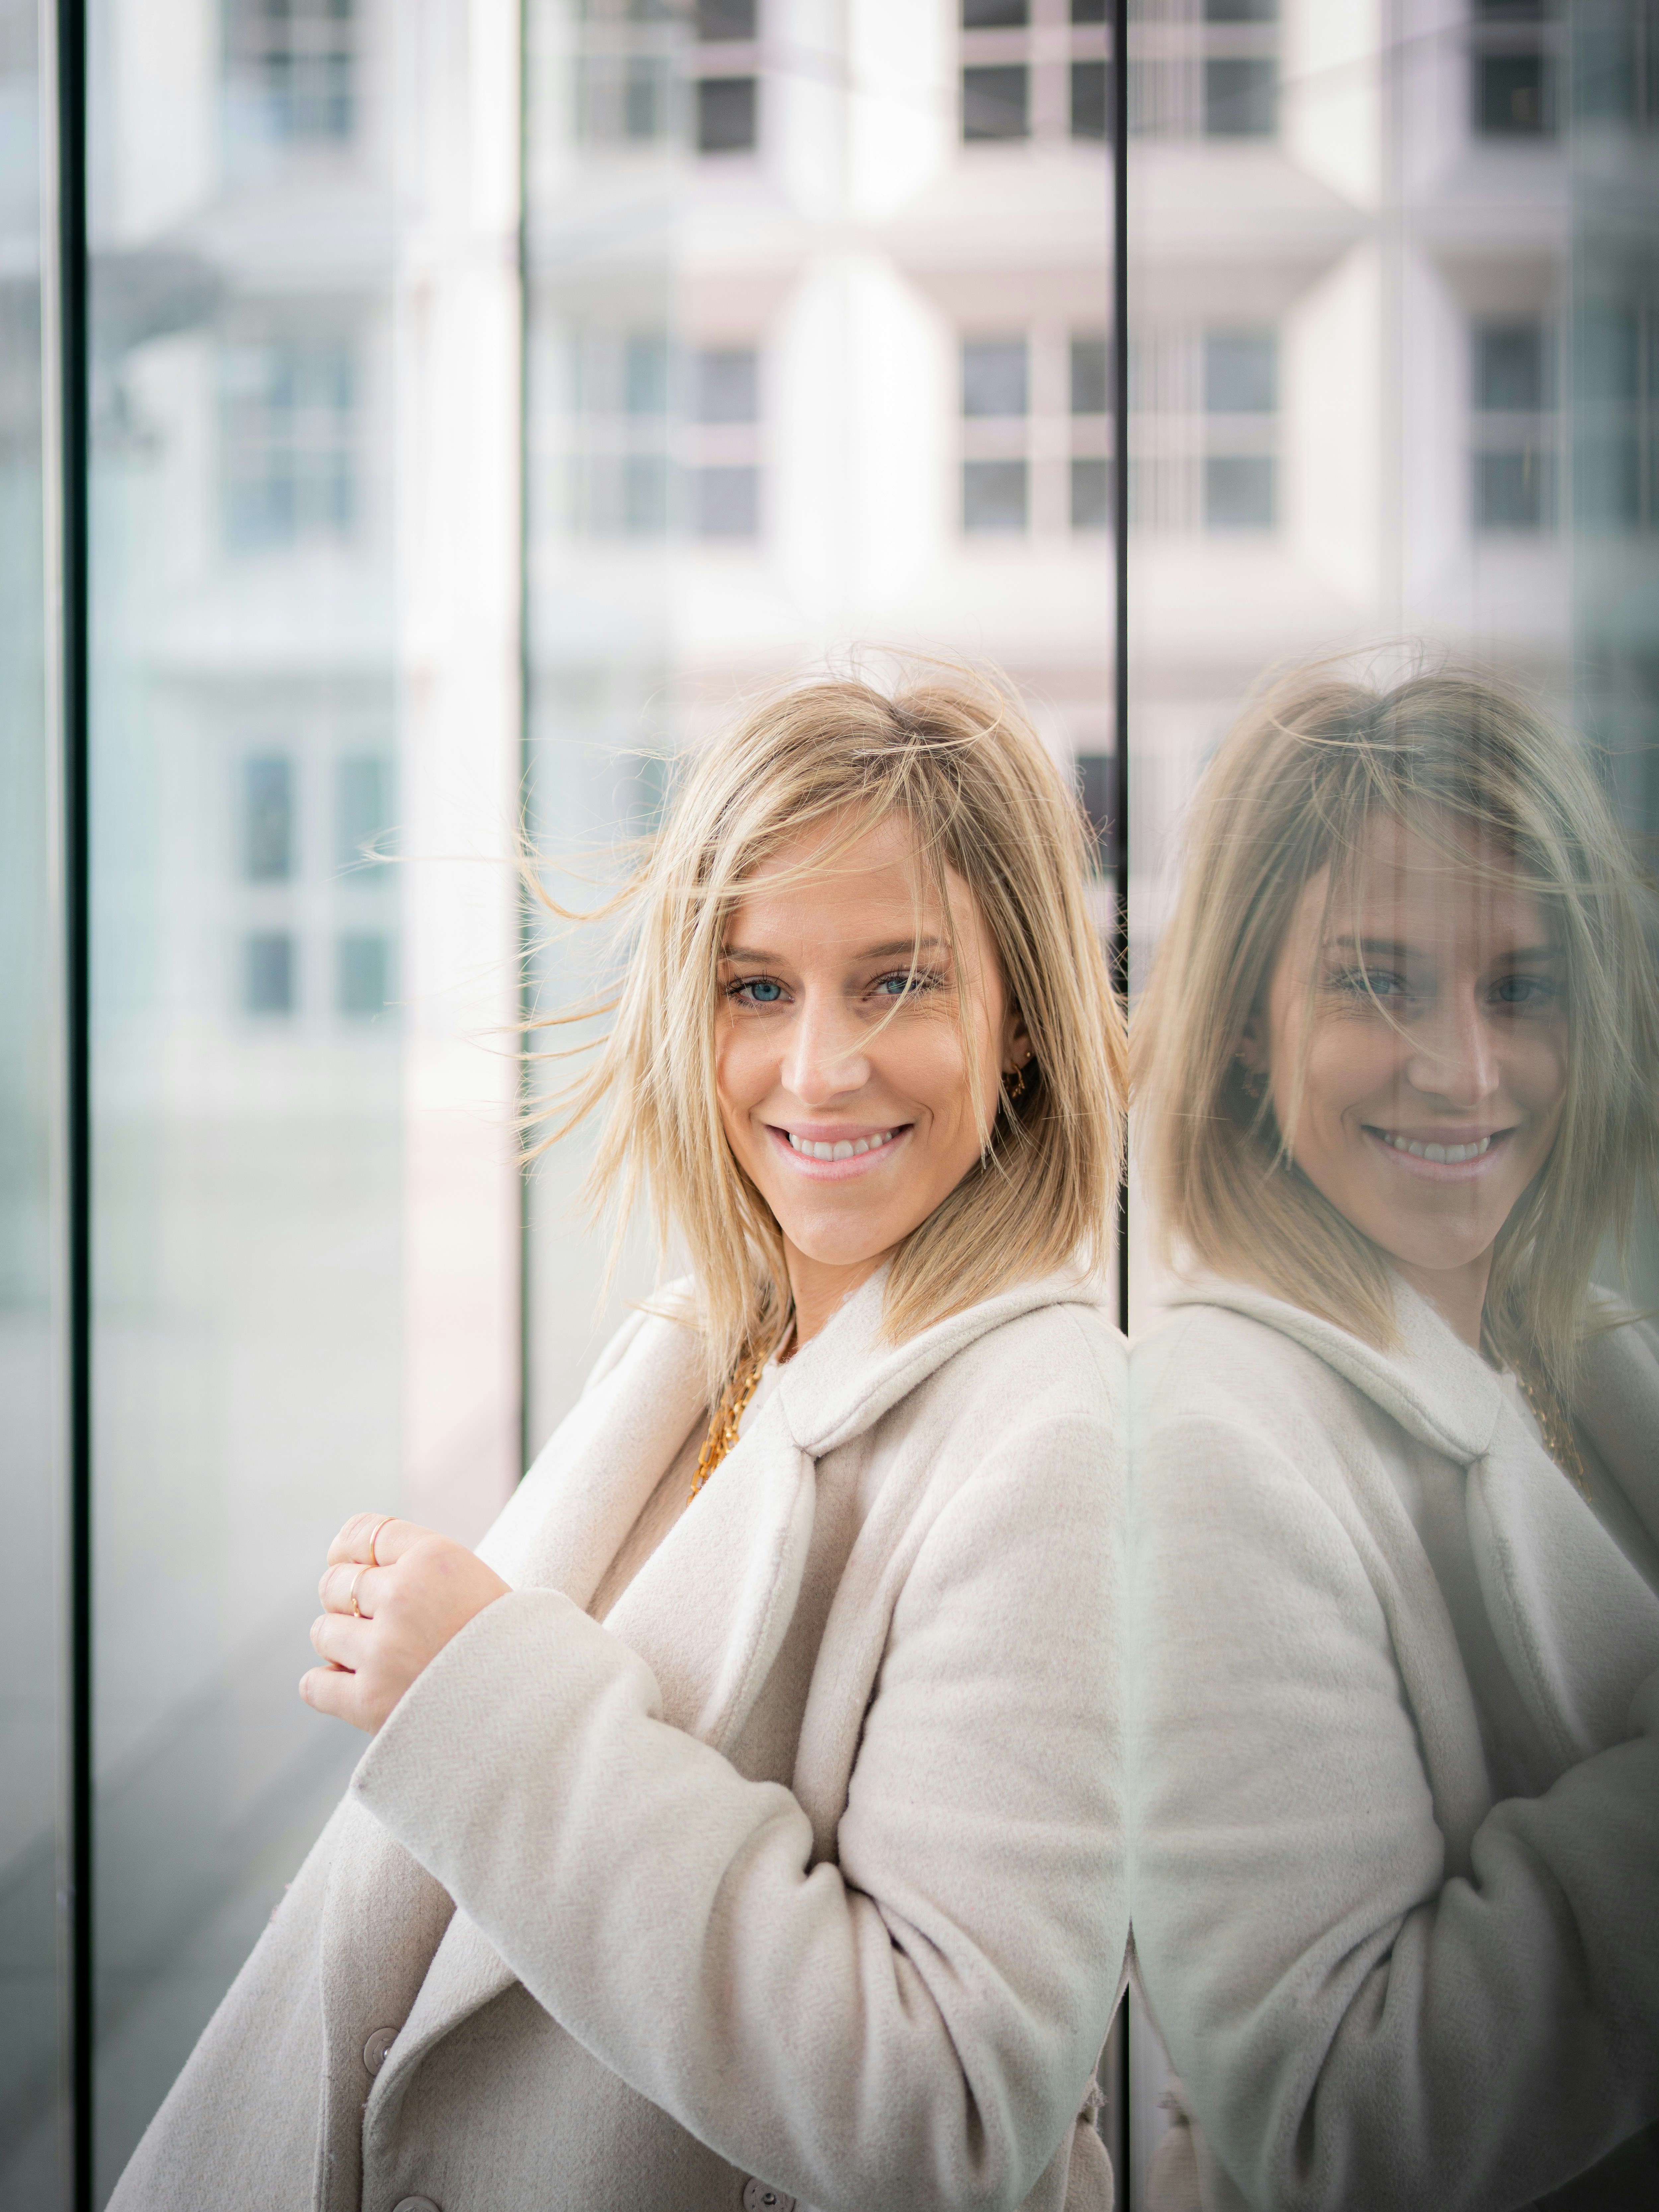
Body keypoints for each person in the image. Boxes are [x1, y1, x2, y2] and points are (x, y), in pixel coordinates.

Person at [111, 671, 1130, 2212]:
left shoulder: (1053, 1436)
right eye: (756, 987)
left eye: (897, 981)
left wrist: (482, 1700)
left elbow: (949, 2111)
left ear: (1023, 1028)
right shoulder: (699, 1342)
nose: (816, 1067)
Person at [1127, 664, 1659, 2212]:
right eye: (1378, 981)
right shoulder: (1207, 1444)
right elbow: (1332, 2115)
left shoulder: (1590, 1343)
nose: (1466, 1068)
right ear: (1241, 1024)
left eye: (1519, 986)